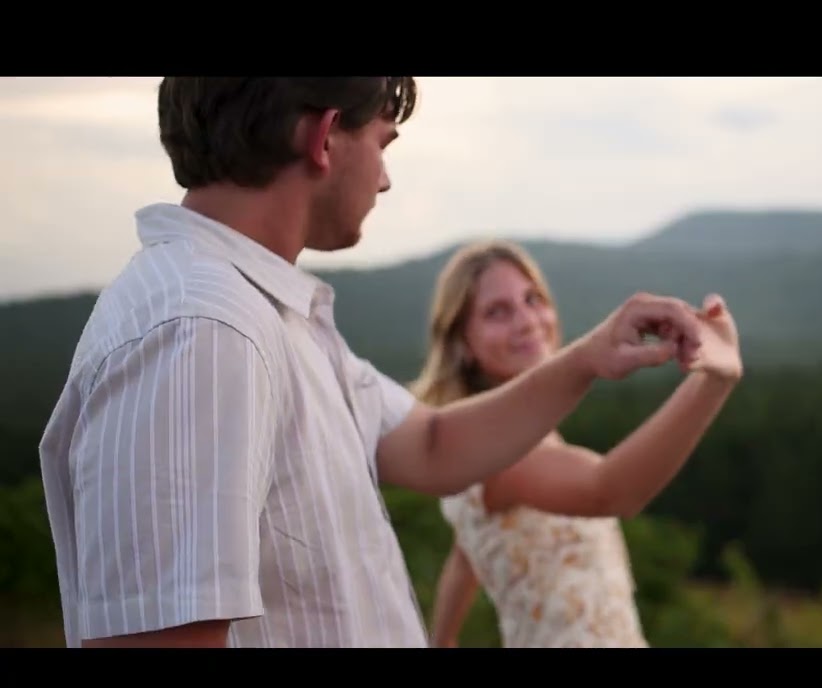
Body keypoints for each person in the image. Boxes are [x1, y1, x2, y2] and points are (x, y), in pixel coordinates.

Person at [36, 77, 716, 649]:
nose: (387, 179)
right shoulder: (202, 333)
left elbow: (432, 442)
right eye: (383, 144)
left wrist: (589, 357)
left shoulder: (273, 315)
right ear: (325, 136)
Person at [413, 240, 743, 648]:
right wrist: (712, 381)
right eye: (497, 311)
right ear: (461, 341)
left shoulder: (480, 446)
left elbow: (467, 552)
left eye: (533, 299)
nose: (526, 320)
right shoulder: (498, 457)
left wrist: (441, 639)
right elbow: (611, 490)